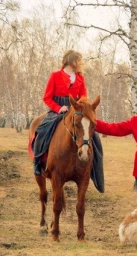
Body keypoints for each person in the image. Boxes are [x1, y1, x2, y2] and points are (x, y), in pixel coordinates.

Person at [32, 50, 104, 191]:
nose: (80, 63)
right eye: (78, 60)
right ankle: (37, 162)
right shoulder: (55, 76)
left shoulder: (80, 78)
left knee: (93, 136)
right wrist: (59, 108)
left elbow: (83, 97)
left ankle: (95, 170)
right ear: (71, 61)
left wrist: (81, 107)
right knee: (42, 130)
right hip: (57, 111)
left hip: (76, 111)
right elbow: (47, 97)